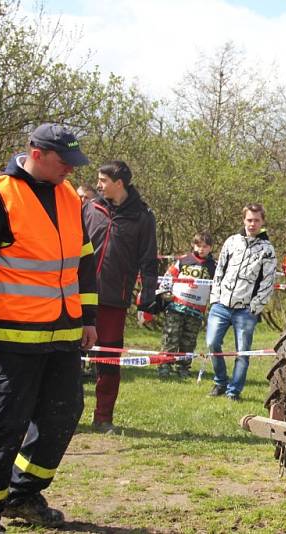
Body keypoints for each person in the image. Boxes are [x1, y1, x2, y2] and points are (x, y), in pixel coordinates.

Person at [0, 124, 97, 530]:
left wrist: (87, 318)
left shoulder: (69, 196)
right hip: (13, 337)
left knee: (63, 413)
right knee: (5, 423)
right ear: (35, 151)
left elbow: (83, 262)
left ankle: (23, 495)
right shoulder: (0, 195)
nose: (70, 169)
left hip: (64, 334)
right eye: (63, 160)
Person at [84, 160, 158, 433]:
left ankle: (103, 417)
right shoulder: (90, 208)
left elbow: (149, 261)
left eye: (103, 181)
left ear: (119, 183)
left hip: (114, 300)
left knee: (109, 362)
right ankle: (63, 414)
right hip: (78, 295)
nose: (99, 185)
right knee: (67, 358)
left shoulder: (142, 216)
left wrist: (147, 299)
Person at [207, 204, 276, 401]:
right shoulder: (231, 242)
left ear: (262, 222)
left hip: (245, 311)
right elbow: (219, 270)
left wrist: (255, 307)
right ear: (243, 220)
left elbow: (268, 281)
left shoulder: (267, 249)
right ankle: (220, 381)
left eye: (256, 220)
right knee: (212, 344)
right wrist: (215, 298)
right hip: (221, 305)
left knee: (242, 353)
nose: (252, 224)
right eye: (249, 220)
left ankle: (233, 391)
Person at [157, 232, 217, 379]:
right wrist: (165, 292)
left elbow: (217, 286)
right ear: (193, 245)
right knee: (171, 336)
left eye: (205, 246)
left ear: (211, 247)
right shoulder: (184, 260)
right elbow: (169, 275)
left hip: (196, 310)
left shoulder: (214, 266)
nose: (202, 249)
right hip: (176, 306)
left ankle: (183, 368)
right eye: (199, 245)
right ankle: (165, 365)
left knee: (189, 340)